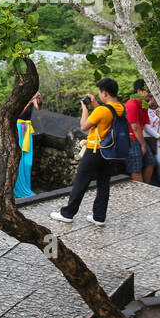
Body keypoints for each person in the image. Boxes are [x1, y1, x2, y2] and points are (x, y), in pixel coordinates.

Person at [51, 78, 127, 226]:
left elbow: (84, 126)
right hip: (108, 150)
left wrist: (85, 108)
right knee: (103, 183)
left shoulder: (102, 110)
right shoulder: (121, 108)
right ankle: (99, 216)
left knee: (81, 181)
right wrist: (95, 104)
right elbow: (106, 116)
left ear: (104, 93)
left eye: (100, 93)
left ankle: (67, 213)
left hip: (94, 150)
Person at [125, 80, 155, 184]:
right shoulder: (131, 105)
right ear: (139, 91)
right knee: (136, 168)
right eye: (148, 92)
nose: (150, 95)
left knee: (150, 162)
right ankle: (142, 191)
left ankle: (147, 187)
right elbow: (135, 127)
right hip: (130, 138)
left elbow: (145, 125)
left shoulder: (143, 104)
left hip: (139, 137)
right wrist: (142, 145)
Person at [15, 91, 42, 199]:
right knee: (19, 159)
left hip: (27, 128)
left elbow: (38, 107)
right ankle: (18, 189)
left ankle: (26, 187)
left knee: (27, 162)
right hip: (19, 127)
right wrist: (28, 102)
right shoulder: (18, 99)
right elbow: (17, 114)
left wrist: (39, 99)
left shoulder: (32, 98)